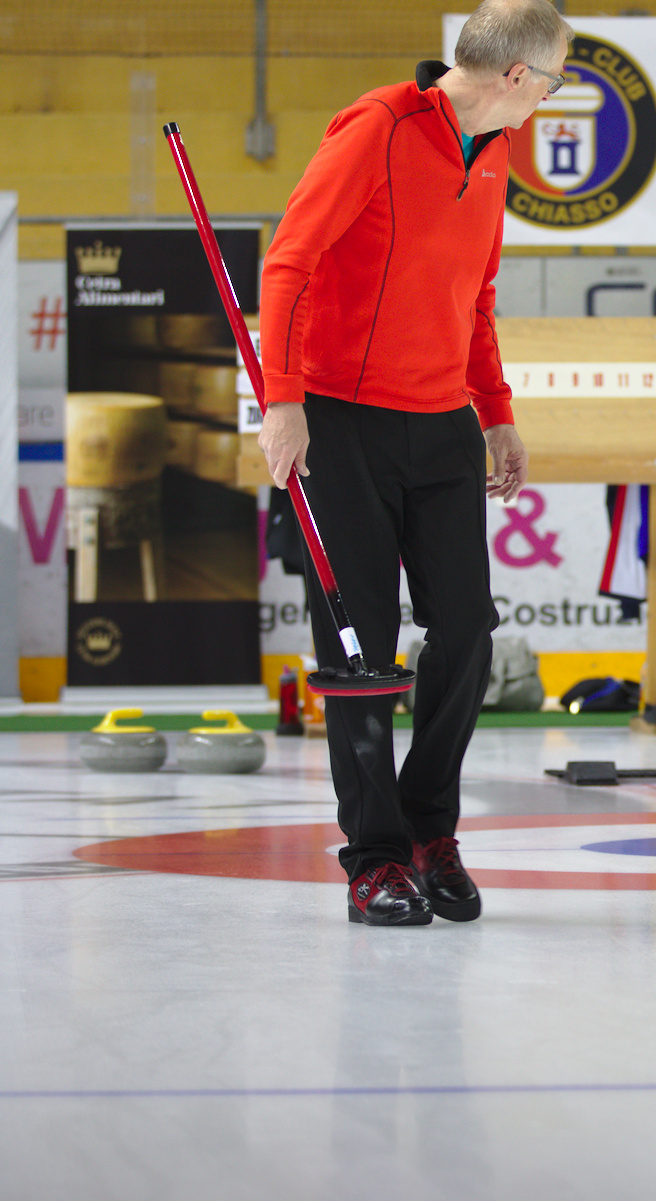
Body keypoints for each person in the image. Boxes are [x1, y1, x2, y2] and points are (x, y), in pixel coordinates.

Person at [258, 0, 572, 923]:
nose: (552, 96)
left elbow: (474, 297)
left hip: (441, 423)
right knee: (359, 652)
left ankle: (432, 827)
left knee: (466, 631)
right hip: (340, 422)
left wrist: (497, 413)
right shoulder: (378, 126)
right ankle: (376, 855)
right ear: (516, 75)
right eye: (554, 78)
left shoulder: (499, 153)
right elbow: (289, 263)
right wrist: (283, 400)